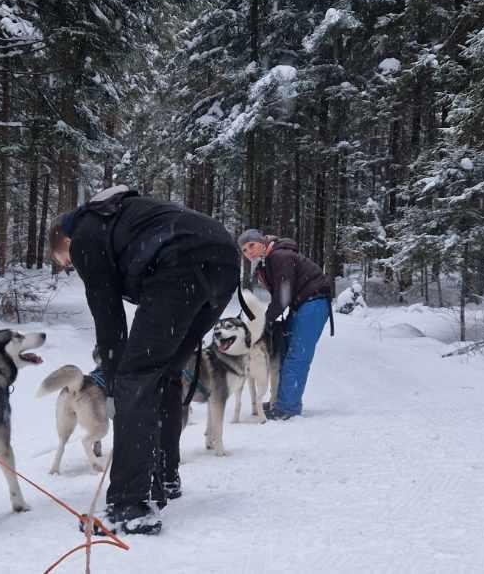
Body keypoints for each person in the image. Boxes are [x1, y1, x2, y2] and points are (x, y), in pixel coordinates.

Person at [50, 185, 239, 535]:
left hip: (179, 260)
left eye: (66, 263)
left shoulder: (86, 235)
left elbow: (109, 319)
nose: (71, 268)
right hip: (223, 258)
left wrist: (113, 383)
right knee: (164, 372)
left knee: (136, 379)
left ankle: (128, 507)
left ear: (64, 242)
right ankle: (163, 479)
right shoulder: (123, 219)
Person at [237, 229, 332, 420]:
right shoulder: (268, 261)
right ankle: (279, 401)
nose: (249, 253)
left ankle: (287, 407)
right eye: (245, 251)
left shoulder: (280, 256)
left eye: (251, 246)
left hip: (313, 303)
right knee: (284, 351)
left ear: (262, 242)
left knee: (297, 355)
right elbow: (281, 296)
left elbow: (283, 295)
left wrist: (266, 321)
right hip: (300, 305)